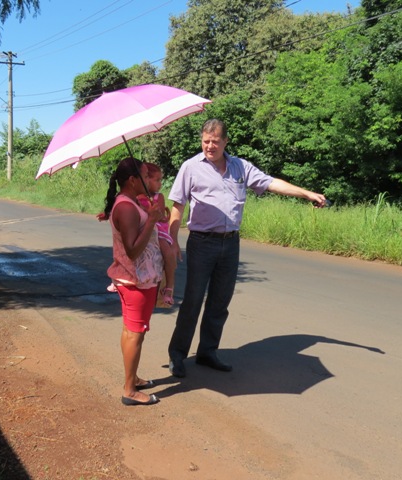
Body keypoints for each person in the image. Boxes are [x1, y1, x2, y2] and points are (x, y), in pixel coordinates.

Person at [167, 119, 327, 378]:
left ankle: (208, 351)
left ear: (225, 141)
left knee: (220, 301)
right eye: (206, 141)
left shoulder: (240, 166)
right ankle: (177, 355)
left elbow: (271, 182)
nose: (210, 146)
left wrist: (306, 193)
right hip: (201, 243)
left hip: (230, 244)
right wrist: (172, 241)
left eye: (215, 142)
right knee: (193, 300)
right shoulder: (190, 167)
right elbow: (177, 206)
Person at [101, 157, 165, 405]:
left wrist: (153, 217)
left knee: (132, 331)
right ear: (132, 180)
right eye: (145, 175)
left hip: (140, 279)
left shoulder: (130, 203)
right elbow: (132, 251)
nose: (149, 180)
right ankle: (129, 390)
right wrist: (150, 219)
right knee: (135, 333)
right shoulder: (126, 207)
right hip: (134, 281)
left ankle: (133, 377)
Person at [136, 163, 176, 307]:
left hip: (158, 229)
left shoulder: (158, 197)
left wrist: (145, 208)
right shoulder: (135, 196)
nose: (160, 183)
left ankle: (169, 287)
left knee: (168, 253)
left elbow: (157, 215)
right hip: (142, 228)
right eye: (156, 180)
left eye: (160, 180)